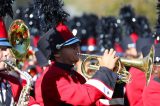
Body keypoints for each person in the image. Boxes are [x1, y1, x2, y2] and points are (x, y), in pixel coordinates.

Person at [36, 23, 119, 106]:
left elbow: (95, 102)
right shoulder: (53, 76)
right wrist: (105, 70)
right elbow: (84, 98)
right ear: (57, 53)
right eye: (71, 46)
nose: (77, 48)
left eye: (77, 44)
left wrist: (114, 76)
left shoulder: (71, 73)